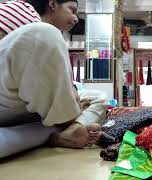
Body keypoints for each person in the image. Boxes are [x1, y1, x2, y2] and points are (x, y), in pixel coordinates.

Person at [0, 0, 102, 158]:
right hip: (6, 94)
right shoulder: (21, 11)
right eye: (72, 10)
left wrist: (69, 97)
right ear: (53, 4)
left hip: (20, 110)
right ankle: (66, 125)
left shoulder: (52, 37)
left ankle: (61, 130)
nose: (76, 18)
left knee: (97, 97)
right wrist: (71, 107)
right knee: (43, 34)